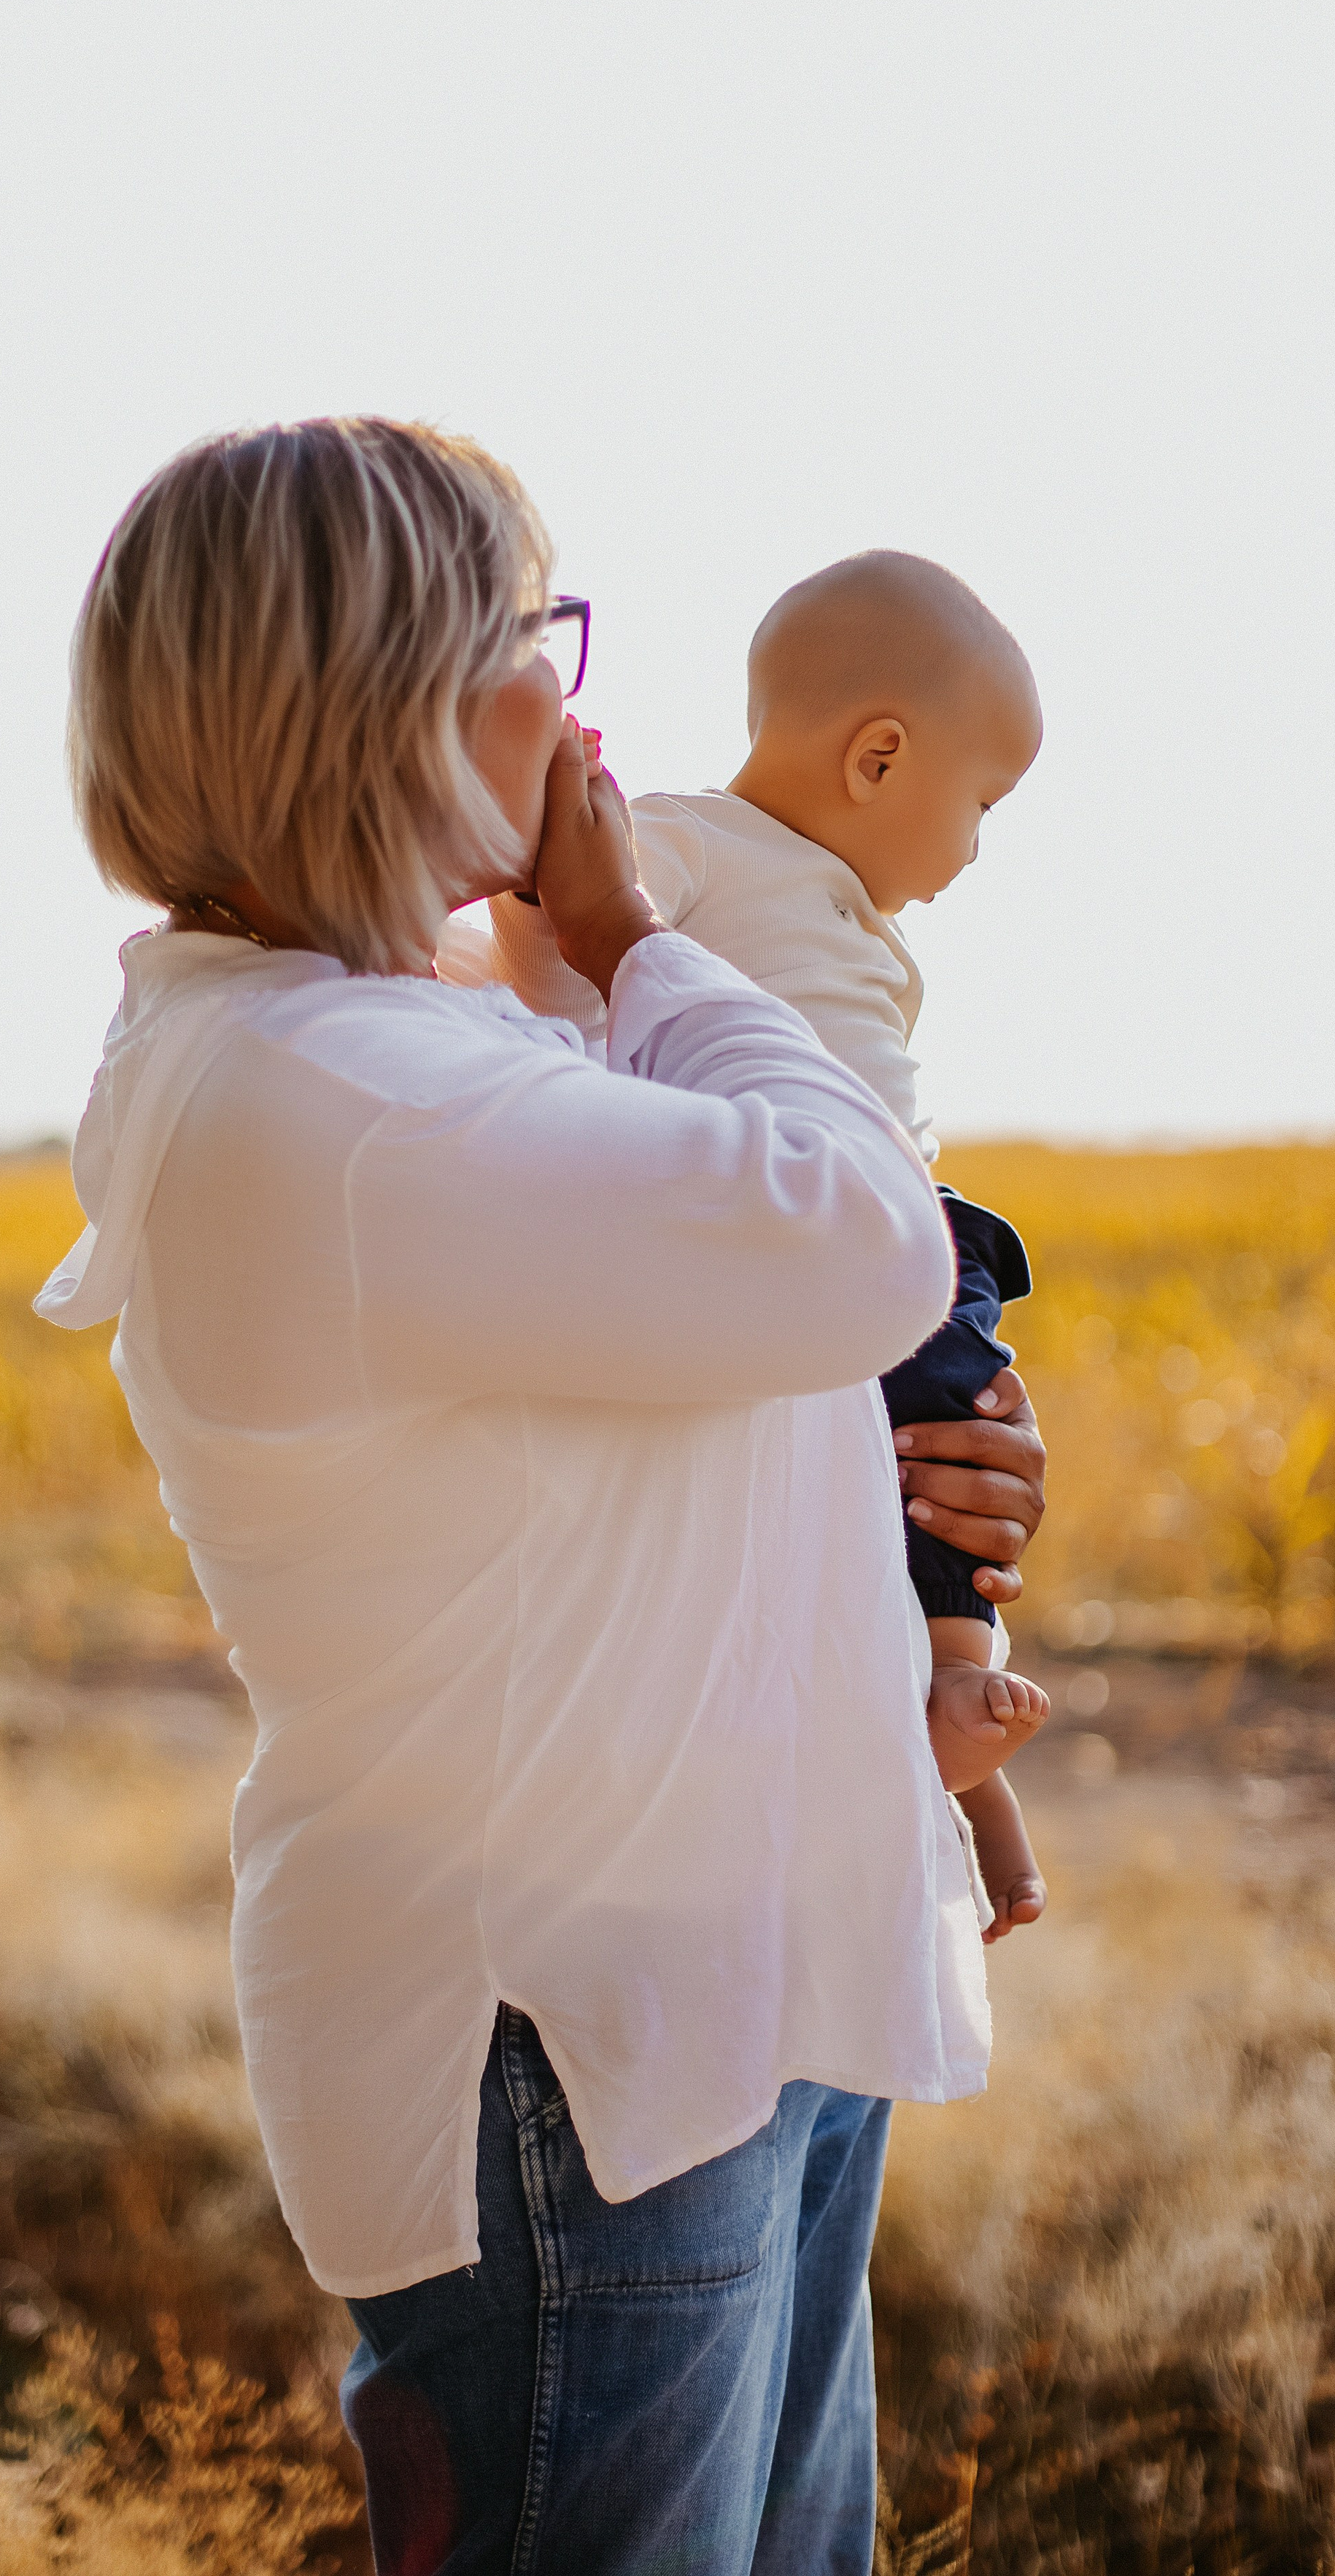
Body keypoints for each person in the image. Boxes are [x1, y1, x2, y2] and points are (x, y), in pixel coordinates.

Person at [36, 420, 1048, 2575]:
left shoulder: (389, 1042)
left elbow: (739, 1327)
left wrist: (889, 1453)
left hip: (703, 2000)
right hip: (579, 2061)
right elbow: (858, 1232)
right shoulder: (341, 1095)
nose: (583, 696)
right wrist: (632, 940)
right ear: (390, 692)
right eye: (534, 635)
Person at [481, 551, 1050, 1939]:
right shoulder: (692, 842)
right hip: (807, 1229)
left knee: (952, 1450)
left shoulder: (830, 895)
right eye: (979, 805)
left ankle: (963, 1707)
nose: (975, 849)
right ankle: (962, 1733)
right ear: (878, 758)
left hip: (905, 1223)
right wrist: (547, 851)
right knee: (926, 1452)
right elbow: (548, 931)